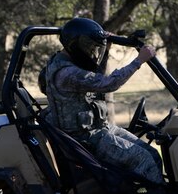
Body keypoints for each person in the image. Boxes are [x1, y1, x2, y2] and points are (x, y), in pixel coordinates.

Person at [40, 17, 164, 184]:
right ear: (76, 45)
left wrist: (106, 50)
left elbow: (94, 78)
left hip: (97, 130)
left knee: (153, 154)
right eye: (90, 47)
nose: (92, 53)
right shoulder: (67, 73)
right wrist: (139, 60)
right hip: (85, 139)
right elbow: (108, 83)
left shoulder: (67, 63)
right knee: (144, 161)